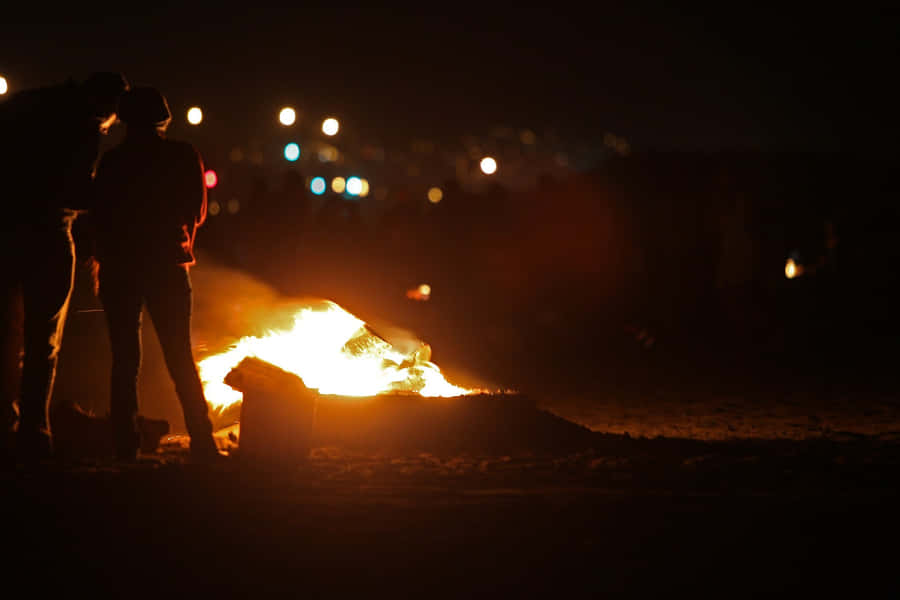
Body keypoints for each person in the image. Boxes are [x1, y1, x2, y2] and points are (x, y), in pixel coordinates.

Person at [0, 71, 130, 461]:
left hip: (5, 231)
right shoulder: (84, 127)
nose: (109, 128)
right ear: (108, 106)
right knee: (43, 340)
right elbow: (74, 192)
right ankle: (34, 433)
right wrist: (109, 194)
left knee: (5, 335)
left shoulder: (24, 107)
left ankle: (4, 426)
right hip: (49, 236)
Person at [90, 86, 222, 462]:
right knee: (180, 356)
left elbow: (100, 216)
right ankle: (203, 440)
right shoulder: (183, 155)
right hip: (167, 266)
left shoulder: (113, 162)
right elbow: (197, 212)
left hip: (120, 267)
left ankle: (124, 444)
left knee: (124, 359)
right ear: (163, 119)